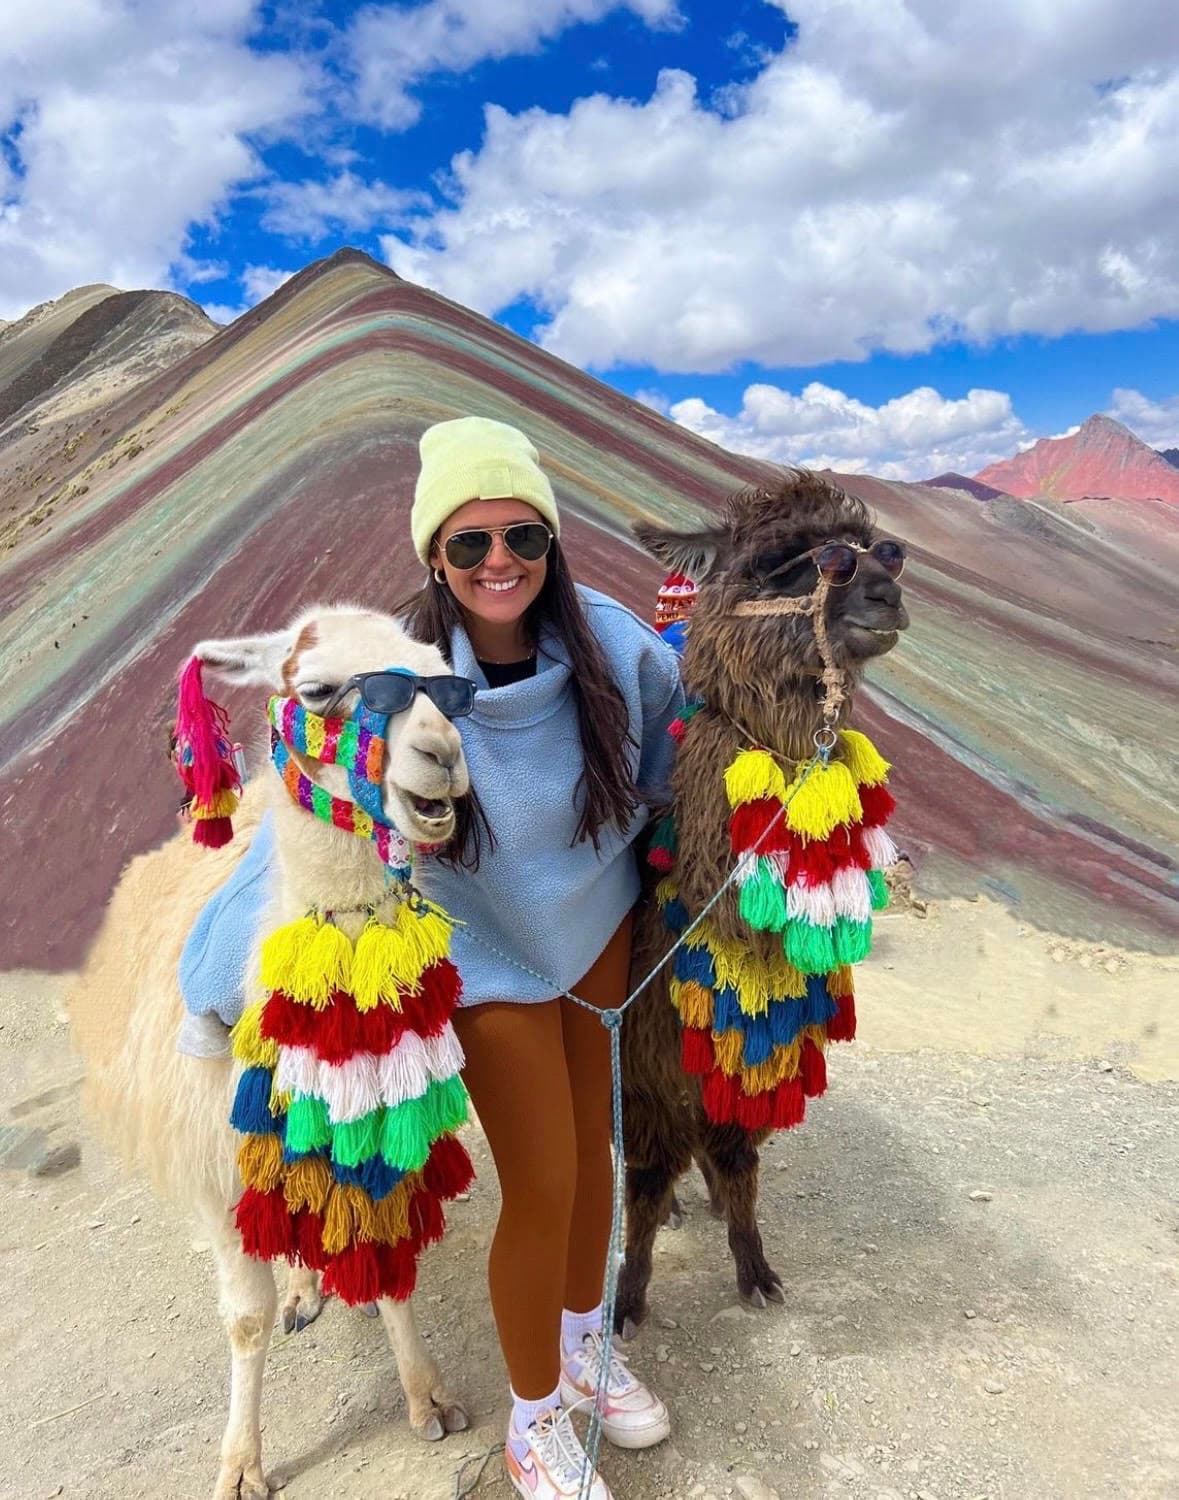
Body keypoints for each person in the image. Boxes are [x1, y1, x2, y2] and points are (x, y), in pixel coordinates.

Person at [179, 415, 683, 1500]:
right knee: (542, 1180)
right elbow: (302, 815)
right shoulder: (397, 673)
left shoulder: (611, 644)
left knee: (594, 1150)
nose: (499, 561)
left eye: (522, 536)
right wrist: (210, 985)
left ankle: (585, 1348)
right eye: (469, 543)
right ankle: (534, 1419)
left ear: (550, 545)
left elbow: (666, 762)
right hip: (484, 951)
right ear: (435, 558)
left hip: (594, 929)